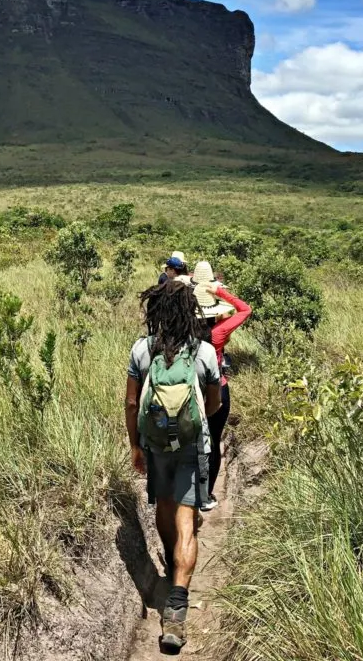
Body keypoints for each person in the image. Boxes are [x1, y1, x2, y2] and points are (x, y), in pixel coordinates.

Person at [125, 280, 222, 650]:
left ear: (155, 312)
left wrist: (136, 446)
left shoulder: (142, 350)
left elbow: (132, 404)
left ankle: (170, 564)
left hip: (155, 446)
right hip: (192, 446)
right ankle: (177, 609)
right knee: (187, 520)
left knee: (165, 509)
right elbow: (213, 405)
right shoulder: (204, 353)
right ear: (190, 311)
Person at [191, 260, 252, 510]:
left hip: (190, 389)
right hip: (218, 389)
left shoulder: (186, 327)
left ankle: (188, 489)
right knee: (213, 441)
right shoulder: (219, 333)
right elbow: (245, 310)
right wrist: (220, 292)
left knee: (191, 439)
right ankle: (207, 495)